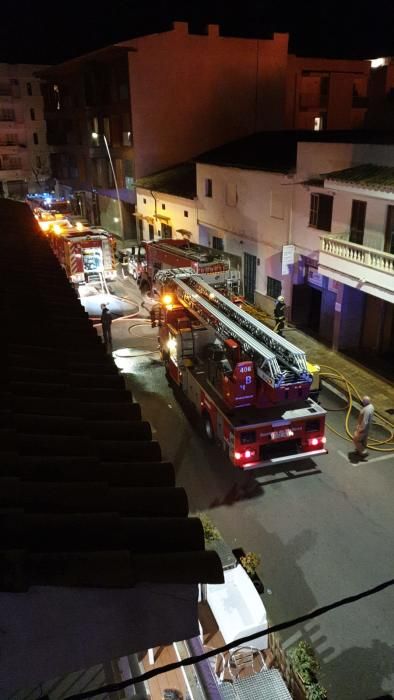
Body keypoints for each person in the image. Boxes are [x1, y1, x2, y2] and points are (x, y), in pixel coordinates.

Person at [353, 396, 374, 460]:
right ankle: (359, 450)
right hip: (367, 428)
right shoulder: (371, 407)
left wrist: (359, 430)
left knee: (356, 440)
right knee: (363, 440)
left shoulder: (366, 410)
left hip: (363, 428)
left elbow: (365, 421)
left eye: (363, 401)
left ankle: (363, 452)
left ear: (364, 402)